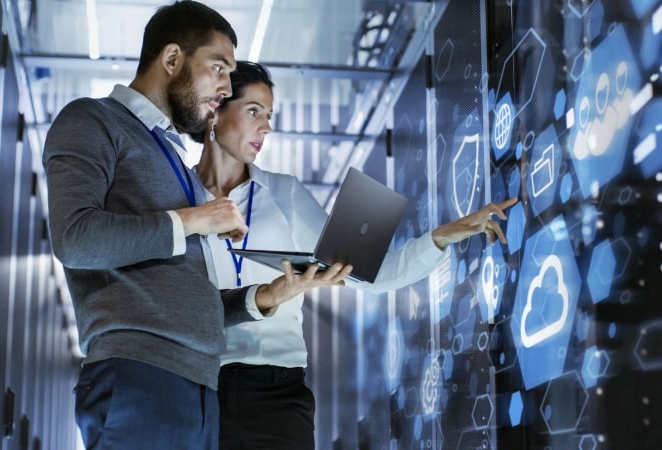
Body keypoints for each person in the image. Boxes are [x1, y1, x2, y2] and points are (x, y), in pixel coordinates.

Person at [42, 3, 351, 450]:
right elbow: (75, 238)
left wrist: (267, 297)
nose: (225, 87)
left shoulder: (176, 165)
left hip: (199, 387)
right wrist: (195, 219)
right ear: (172, 60)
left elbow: (189, 298)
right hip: (140, 374)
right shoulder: (92, 120)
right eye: (218, 68)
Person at [191, 61, 517, 450]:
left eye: (270, 116)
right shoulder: (177, 198)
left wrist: (442, 237)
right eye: (254, 111)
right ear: (216, 110)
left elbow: (371, 275)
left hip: (277, 393)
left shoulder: (284, 194)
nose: (266, 127)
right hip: (198, 388)